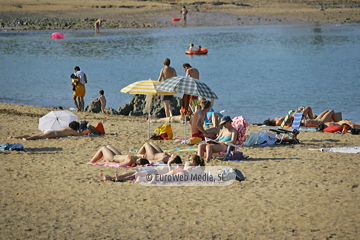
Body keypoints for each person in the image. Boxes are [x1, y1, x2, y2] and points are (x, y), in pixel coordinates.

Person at [98, 154, 183, 182]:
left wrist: (169, 164)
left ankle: (115, 178)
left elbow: (170, 173)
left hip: (155, 171)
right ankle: (112, 177)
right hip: (152, 168)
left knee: (134, 175)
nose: (170, 157)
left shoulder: (175, 166)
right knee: (129, 172)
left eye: (172, 157)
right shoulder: (167, 163)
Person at [89, 142, 178, 165]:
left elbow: (119, 163)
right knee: (108, 145)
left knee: (103, 148)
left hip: (113, 158)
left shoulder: (129, 160)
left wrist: (107, 162)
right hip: (118, 155)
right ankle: (92, 161)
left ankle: (91, 161)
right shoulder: (133, 159)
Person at [8, 121, 85, 140]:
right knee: (39, 137)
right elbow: (81, 135)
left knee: (34, 135)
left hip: (51, 130)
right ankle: (27, 139)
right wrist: (79, 129)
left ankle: (14, 137)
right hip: (53, 133)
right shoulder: (72, 131)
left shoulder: (66, 127)